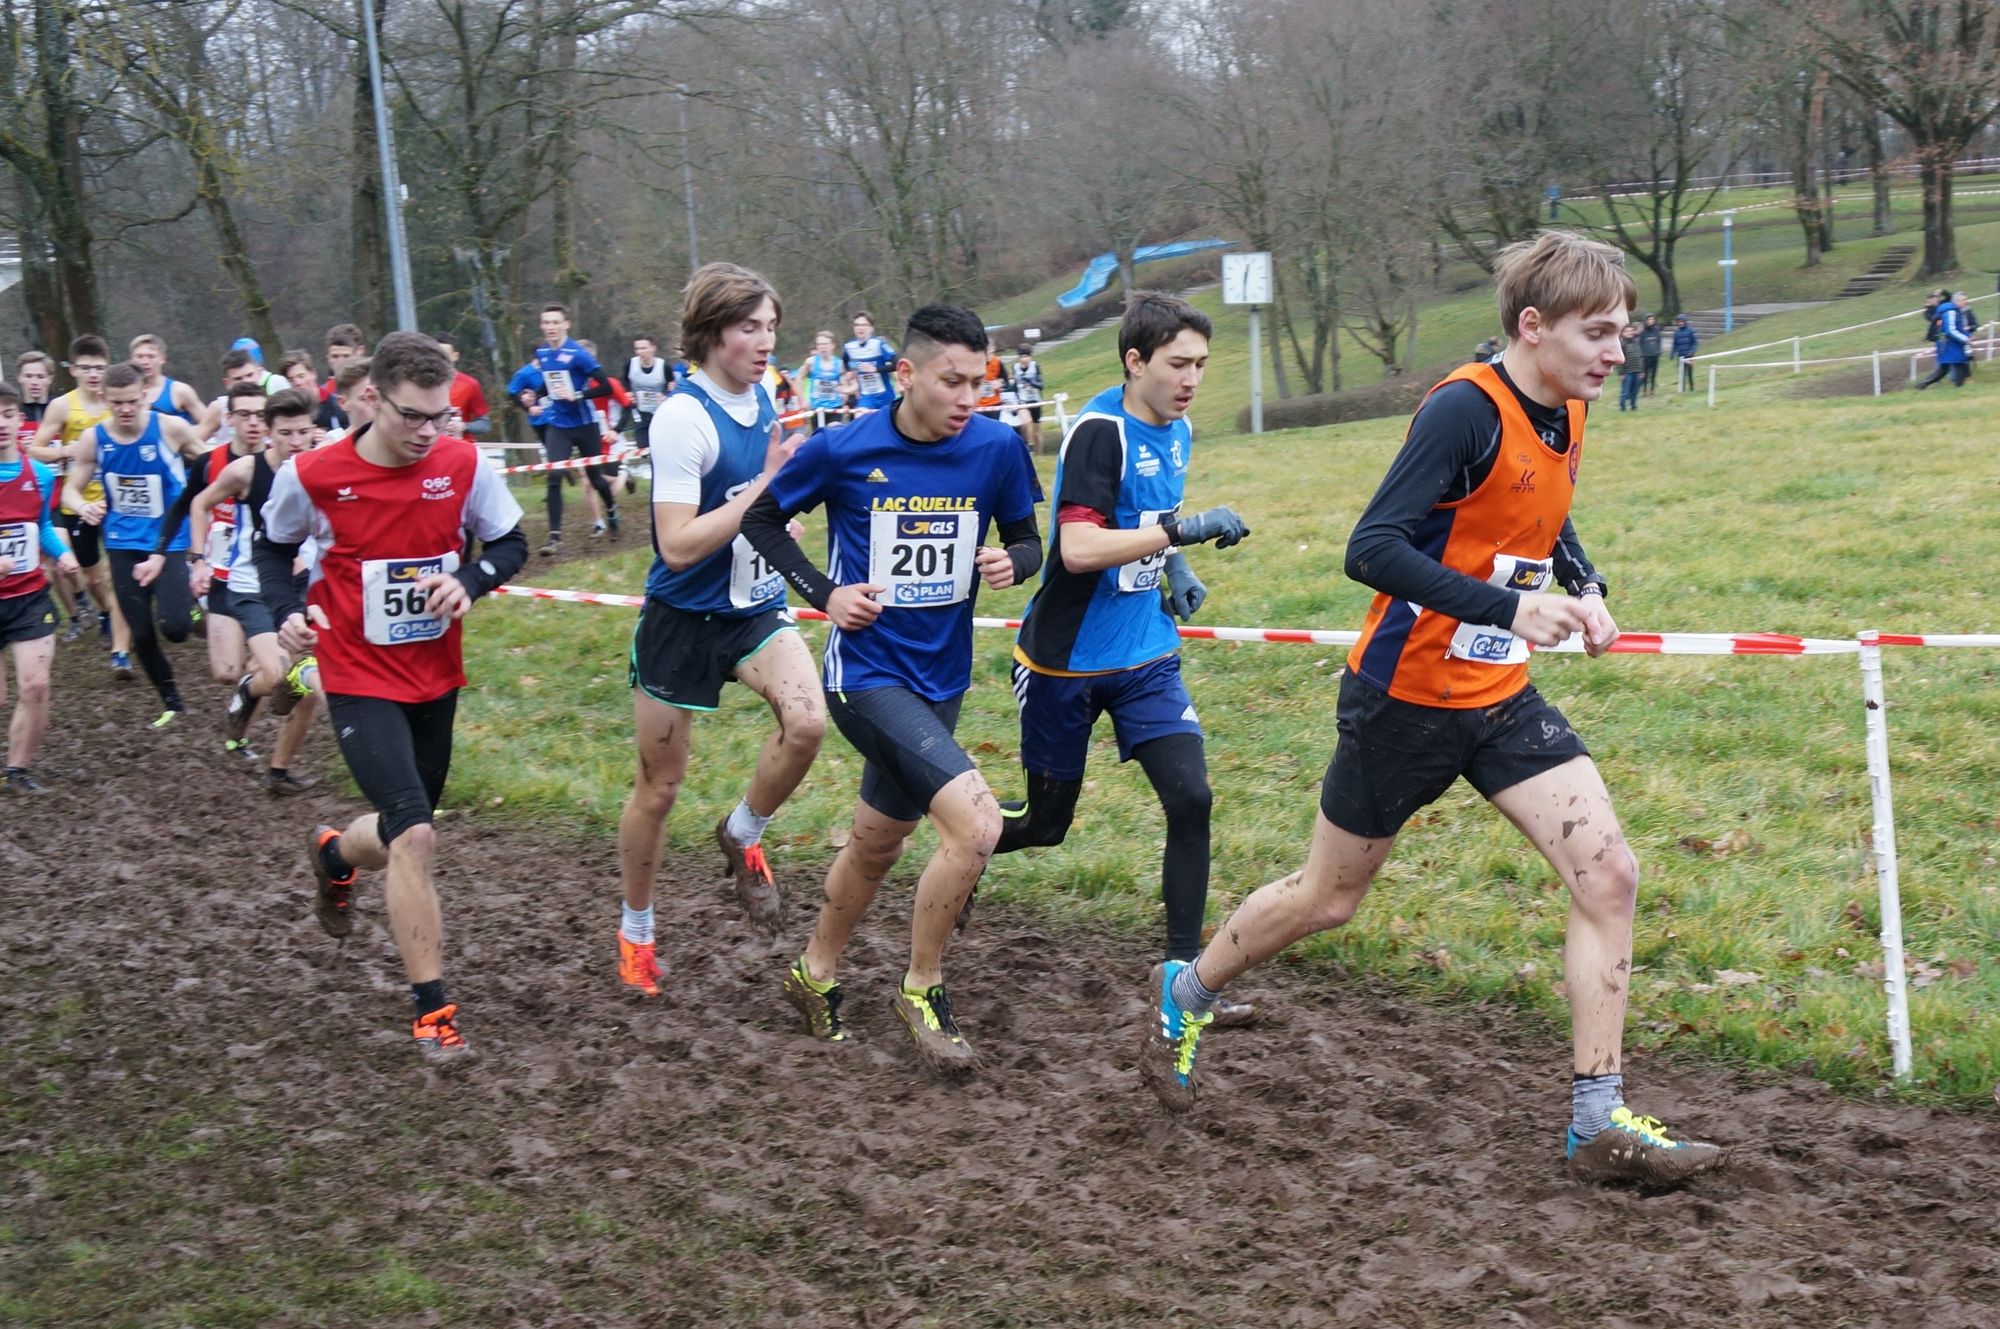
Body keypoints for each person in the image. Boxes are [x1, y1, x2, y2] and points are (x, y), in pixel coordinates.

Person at [1140, 230, 1727, 1188]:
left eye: (1623, 332)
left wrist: (1585, 584)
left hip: (1499, 698)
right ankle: (1188, 989)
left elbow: (1540, 511)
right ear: (1533, 326)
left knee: (1609, 873)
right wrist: (1509, 608)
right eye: (1598, 333)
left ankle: (1596, 1121)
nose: (1618, 352)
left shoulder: (1568, 406)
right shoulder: (1463, 408)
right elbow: (1370, 548)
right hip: (1403, 701)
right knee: (1328, 898)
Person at [743, 304, 1041, 1073]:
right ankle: (922, 988)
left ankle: (813, 973)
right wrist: (825, 593)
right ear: (905, 374)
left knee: (877, 843)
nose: (968, 397)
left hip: (942, 680)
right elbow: (762, 519)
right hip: (866, 676)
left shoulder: (997, 448)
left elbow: (1028, 539)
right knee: (976, 826)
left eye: (979, 382)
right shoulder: (844, 448)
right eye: (952, 381)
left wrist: (1014, 561)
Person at [975, 294, 1256, 1027]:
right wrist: (1183, 535)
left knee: (1191, 799)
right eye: (1178, 364)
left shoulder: (1180, 428)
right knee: (1046, 824)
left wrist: (1175, 569)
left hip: (1145, 655)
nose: (1192, 379)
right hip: (1064, 663)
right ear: (1135, 361)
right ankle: (964, 850)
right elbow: (1078, 549)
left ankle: (1183, 986)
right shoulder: (1101, 433)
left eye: (1201, 364)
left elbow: (1145, 525)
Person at [255, 332, 527, 1065]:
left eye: (440, 415)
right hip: (355, 675)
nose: (428, 430)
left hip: (434, 676)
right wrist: (286, 612)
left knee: (401, 828)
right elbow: (272, 551)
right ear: (372, 397)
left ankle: (334, 853)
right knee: (415, 836)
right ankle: (432, 1011)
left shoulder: (464, 464)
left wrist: (469, 580)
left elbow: (511, 544)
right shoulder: (313, 474)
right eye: (413, 415)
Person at [615, 263, 829, 998]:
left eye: (771, 327)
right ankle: (637, 930)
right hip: (682, 620)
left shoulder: (762, 396)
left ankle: (743, 831)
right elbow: (676, 545)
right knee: (659, 790)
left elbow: (756, 506)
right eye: (749, 328)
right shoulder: (682, 417)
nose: (766, 342)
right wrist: (764, 492)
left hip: (752, 609)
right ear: (711, 333)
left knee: (807, 722)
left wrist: (777, 516)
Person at [180, 387, 323, 795]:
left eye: (303, 432)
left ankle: (278, 772)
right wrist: (199, 559)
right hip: (252, 585)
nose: (296, 442)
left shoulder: (323, 467)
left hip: (303, 587)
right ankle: (249, 687)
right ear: (269, 433)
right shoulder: (245, 470)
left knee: (306, 689)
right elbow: (199, 504)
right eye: (286, 434)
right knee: (282, 677)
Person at [62, 362, 209, 726]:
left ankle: (189, 605)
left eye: (132, 401)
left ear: (144, 395)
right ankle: (173, 704)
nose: (126, 409)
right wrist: (83, 507)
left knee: (175, 628)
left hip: (168, 539)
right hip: (121, 542)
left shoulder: (170, 428)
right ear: (103, 398)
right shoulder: (94, 439)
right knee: (140, 632)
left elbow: (210, 463)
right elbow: (70, 489)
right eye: (117, 402)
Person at [153, 380, 271, 751]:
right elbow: (184, 506)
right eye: (245, 414)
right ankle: (245, 685)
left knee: (267, 665)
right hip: (221, 575)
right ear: (229, 418)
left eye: (261, 415)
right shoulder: (210, 463)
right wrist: (190, 557)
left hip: (267, 577)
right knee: (226, 672)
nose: (254, 422)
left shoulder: (279, 462)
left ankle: (240, 733)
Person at [0, 376, 81, 794]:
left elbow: (42, 524)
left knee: (36, 684)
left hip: (29, 596)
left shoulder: (40, 475)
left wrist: (62, 554)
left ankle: (17, 770)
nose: (1, 424)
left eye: (7, 415)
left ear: (20, 420)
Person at [519, 304, 619, 555]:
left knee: (596, 479)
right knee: (554, 475)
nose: (550, 327)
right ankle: (554, 538)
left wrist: (578, 395)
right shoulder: (543, 353)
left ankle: (611, 510)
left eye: (555, 322)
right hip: (558, 424)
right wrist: (534, 395)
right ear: (542, 326)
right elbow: (549, 383)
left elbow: (605, 386)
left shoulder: (578, 354)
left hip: (585, 425)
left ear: (566, 324)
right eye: (546, 323)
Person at [15, 351, 94, 643]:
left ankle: (82, 596)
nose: (35, 382)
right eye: (29, 376)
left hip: (60, 496)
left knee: (60, 556)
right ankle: (74, 616)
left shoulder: (62, 409)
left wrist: (65, 452)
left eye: (40, 376)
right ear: (20, 378)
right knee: (51, 567)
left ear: (50, 378)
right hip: (26, 499)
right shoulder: (12, 413)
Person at [434, 334, 491, 437]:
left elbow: (485, 425)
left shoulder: (469, 384)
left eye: (444, 355)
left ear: (455, 356)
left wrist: (464, 426)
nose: (440, 359)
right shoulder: (422, 384)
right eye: (436, 355)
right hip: (431, 444)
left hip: (460, 443)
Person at [842, 311, 898, 414]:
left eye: (864, 325)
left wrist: (876, 369)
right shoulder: (849, 346)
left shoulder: (879, 344)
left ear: (871, 328)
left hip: (884, 396)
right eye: (857, 325)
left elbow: (896, 365)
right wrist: (849, 371)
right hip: (866, 397)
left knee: (885, 423)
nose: (860, 328)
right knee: (860, 416)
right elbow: (845, 359)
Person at [1918, 291, 1972, 389]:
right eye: (1964, 300)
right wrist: (1965, 339)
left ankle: (1922, 385)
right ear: (1957, 301)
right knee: (1955, 364)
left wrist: (1967, 335)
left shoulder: (1955, 310)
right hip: (1948, 343)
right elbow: (1950, 330)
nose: (1966, 302)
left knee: (1946, 367)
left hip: (1948, 341)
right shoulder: (1951, 312)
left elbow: (1958, 328)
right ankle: (1959, 387)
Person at [318, 324, 366, 432]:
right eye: (335, 356)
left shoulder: (374, 386)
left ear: (360, 351)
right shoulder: (323, 394)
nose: (341, 362)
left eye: (346, 356)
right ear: (328, 357)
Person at [626, 335, 671, 443]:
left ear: (653, 348)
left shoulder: (664, 366)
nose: (640, 352)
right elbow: (624, 381)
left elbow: (672, 387)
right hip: (639, 413)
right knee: (643, 446)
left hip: (660, 413)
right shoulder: (630, 364)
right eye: (637, 349)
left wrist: (665, 395)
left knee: (660, 444)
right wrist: (628, 393)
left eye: (644, 348)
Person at [798, 331, 847, 430]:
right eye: (819, 344)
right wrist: (802, 399)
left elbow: (845, 385)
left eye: (825, 344)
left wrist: (845, 398)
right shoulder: (811, 362)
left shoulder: (839, 364)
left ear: (832, 345)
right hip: (817, 408)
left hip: (834, 407)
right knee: (819, 436)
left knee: (833, 431)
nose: (822, 347)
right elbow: (798, 378)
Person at [1011, 344, 1045, 454]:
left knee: (1036, 431)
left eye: (1026, 356)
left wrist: (1031, 381)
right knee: (1026, 423)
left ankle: (1039, 455)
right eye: (1022, 356)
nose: (1024, 359)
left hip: (1035, 401)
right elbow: (1014, 386)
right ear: (1019, 357)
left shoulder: (1035, 366)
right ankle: (1028, 448)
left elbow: (1041, 385)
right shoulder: (1015, 367)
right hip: (1023, 401)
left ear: (1030, 357)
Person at [1617, 323, 1642, 410]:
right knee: (1625, 391)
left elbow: (1640, 357)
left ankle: (1633, 406)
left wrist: (1641, 370)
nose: (1630, 333)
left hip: (1637, 371)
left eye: (1631, 331)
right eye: (1627, 331)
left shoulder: (1636, 342)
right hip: (1627, 372)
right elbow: (1619, 360)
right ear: (1623, 333)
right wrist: (1621, 373)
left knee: (1635, 391)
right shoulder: (1622, 344)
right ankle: (1623, 407)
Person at [1637, 314, 1663, 396]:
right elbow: (1640, 344)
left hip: (1655, 356)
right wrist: (1642, 354)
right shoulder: (1643, 332)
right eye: (1649, 320)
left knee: (1653, 374)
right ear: (1646, 321)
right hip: (1646, 357)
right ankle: (1644, 390)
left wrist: (1658, 351)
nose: (1650, 321)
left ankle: (1652, 390)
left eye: (1652, 319)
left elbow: (1659, 341)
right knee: (1645, 374)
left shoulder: (1656, 330)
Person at [1671, 315, 1697, 391]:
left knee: (1689, 373)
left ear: (1685, 322)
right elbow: (1675, 344)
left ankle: (1691, 388)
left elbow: (1694, 343)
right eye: (1679, 322)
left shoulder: (1690, 331)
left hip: (1689, 356)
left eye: (1682, 321)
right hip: (1680, 356)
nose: (1680, 323)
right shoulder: (1676, 333)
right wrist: (1672, 353)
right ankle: (1682, 389)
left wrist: (1692, 351)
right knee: (1681, 374)